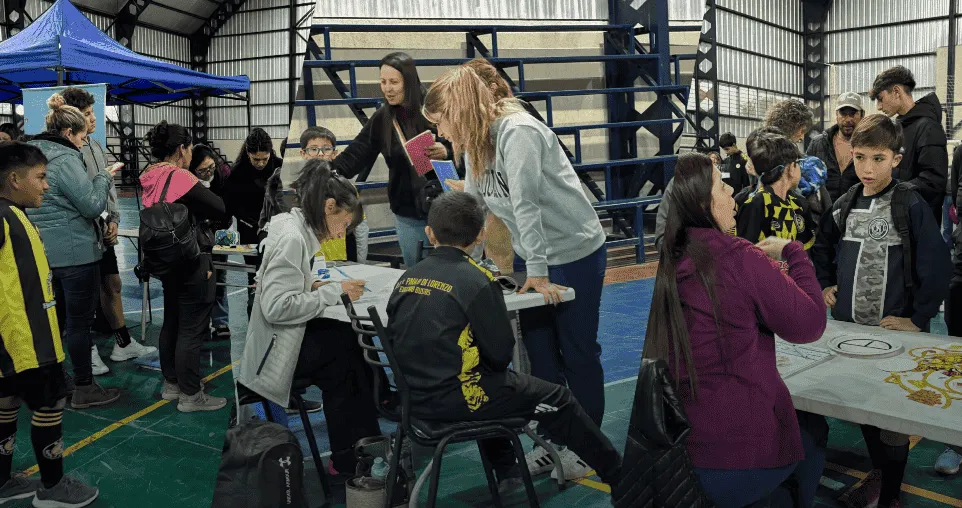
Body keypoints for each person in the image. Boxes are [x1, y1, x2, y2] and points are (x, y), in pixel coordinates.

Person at [424, 66, 608, 480]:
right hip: (533, 254)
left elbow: (525, 204)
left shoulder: (518, 131)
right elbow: (473, 205)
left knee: (577, 351)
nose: (442, 135)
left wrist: (538, 272)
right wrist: (465, 263)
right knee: (540, 355)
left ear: (459, 110)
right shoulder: (474, 141)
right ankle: (553, 440)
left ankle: (587, 445)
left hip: (573, 250)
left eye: (441, 123)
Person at [386, 191, 622, 492]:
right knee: (555, 397)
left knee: (489, 380)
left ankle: (508, 469)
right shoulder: (477, 280)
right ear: (481, 235)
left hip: (413, 401)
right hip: (462, 403)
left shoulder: (407, 277)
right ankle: (618, 476)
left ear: (430, 233)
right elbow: (500, 354)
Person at [646, 151, 828, 508]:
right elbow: (810, 324)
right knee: (813, 433)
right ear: (702, 202)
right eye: (722, 185)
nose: (732, 192)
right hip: (736, 452)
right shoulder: (737, 255)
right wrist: (793, 252)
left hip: (678, 446)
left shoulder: (671, 259)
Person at [812, 115, 951, 508]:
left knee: (891, 419)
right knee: (865, 408)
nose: (867, 168)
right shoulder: (845, 203)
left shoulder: (910, 205)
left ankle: (890, 493)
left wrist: (918, 318)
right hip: (851, 334)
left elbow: (936, 267)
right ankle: (878, 474)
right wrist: (825, 283)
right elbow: (821, 248)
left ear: (896, 159)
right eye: (859, 157)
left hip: (894, 336)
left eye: (878, 158)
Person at [236, 160, 382, 476]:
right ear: (329, 207)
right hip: (272, 353)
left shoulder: (292, 225)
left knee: (352, 344)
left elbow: (279, 283)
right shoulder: (293, 238)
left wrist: (312, 284)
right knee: (346, 357)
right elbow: (276, 306)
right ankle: (348, 457)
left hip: (278, 337)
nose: (344, 230)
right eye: (345, 222)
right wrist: (333, 293)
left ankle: (360, 448)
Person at [0, 141, 101, 507]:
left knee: (7, 401)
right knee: (49, 405)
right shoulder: (5, 218)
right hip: (28, 340)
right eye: (40, 178)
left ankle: (3, 482)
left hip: (14, 338)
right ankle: (53, 488)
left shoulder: (15, 215)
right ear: (14, 179)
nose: (46, 185)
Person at [27, 93, 122, 410]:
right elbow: (92, 204)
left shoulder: (35, 156)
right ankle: (84, 387)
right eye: (82, 136)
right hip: (76, 254)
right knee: (80, 325)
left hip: (45, 254)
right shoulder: (66, 160)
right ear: (69, 133)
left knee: (57, 323)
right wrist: (103, 176)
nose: (84, 143)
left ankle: (59, 382)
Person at [60, 86, 156, 369]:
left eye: (93, 113)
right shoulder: (65, 153)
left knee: (112, 284)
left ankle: (123, 345)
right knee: (82, 295)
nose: (93, 120)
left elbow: (108, 186)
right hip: (78, 234)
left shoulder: (96, 146)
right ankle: (86, 353)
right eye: (87, 115)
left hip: (101, 230)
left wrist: (113, 219)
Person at [331, 51, 453, 268]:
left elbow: (470, 149)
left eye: (394, 82)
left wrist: (447, 150)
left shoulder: (435, 108)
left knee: (452, 271)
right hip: (408, 212)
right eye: (383, 82)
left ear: (409, 81)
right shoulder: (382, 119)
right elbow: (354, 156)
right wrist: (324, 171)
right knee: (417, 273)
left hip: (448, 208)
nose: (387, 88)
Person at [141, 121, 229, 412]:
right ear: (182, 149)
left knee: (173, 322)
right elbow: (219, 208)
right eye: (190, 147)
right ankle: (192, 395)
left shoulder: (150, 176)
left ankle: (172, 384)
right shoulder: (179, 177)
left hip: (165, 261)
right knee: (192, 327)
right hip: (191, 258)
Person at [872, 65, 948, 224]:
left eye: (880, 98)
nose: (879, 106)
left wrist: (893, 192)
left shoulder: (928, 127)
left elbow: (933, 181)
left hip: (919, 221)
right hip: (898, 218)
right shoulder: (897, 127)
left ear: (896, 92)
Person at [223, 128, 283, 316]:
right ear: (247, 153)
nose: (260, 163)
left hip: (277, 232)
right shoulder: (237, 173)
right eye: (256, 159)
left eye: (264, 159)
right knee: (256, 277)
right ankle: (255, 311)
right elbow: (229, 206)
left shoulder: (280, 168)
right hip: (249, 233)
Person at [735, 130, 817, 250]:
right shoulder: (755, 204)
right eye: (798, 163)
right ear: (790, 168)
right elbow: (745, 254)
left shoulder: (800, 203)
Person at [188, 144, 232, 341]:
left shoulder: (223, 176)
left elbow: (228, 208)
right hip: (197, 239)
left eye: (211, 167)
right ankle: (202, 322)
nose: (208, 173)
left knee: (220, 279)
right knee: (200, 281)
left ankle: (221, 321)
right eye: (202, 170)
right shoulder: (189, 182)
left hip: (219, 235)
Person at [806, 91, 864, 201]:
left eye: (853, 113)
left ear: (862, 115)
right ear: (836, 115)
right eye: (843, 114)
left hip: (855, 211)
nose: (847, 120)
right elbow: (806, 178)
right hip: (824, 212)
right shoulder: (818, 144)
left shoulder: (870, 145)